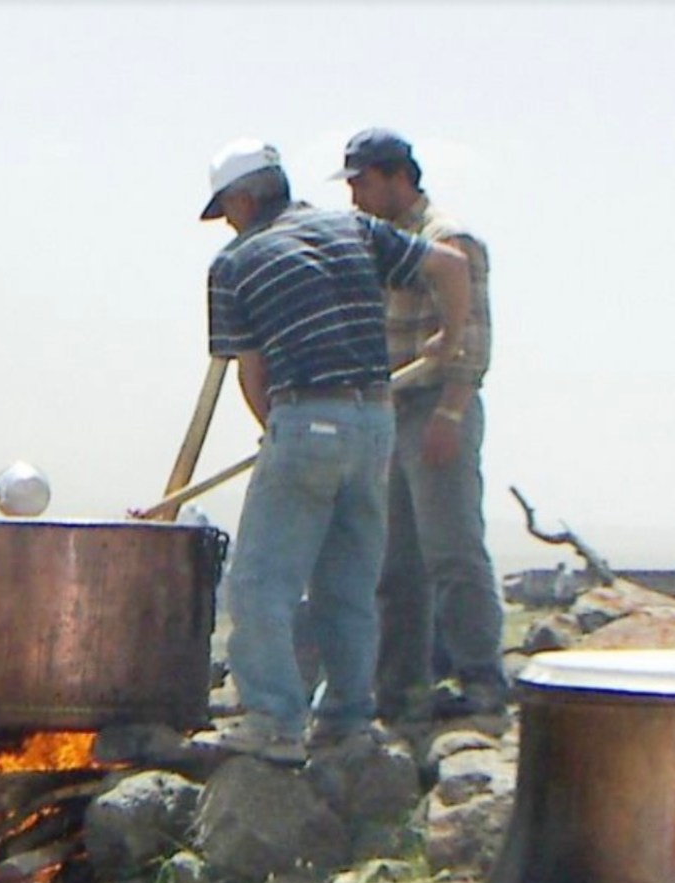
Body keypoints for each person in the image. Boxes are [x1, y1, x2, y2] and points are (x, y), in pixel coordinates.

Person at [200, 137, 470, 765]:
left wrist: (281, 435)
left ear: (243, 201)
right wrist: (449, 339)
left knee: (259, 584)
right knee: (348, 585)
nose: (228, 222)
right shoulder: (353, 228)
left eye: (226, 209)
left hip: (307, 417)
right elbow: (452, 267)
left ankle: (274, 722)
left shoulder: (236, 262)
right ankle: (347, 721)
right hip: (375, 420)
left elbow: (253, 374)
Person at [335, 128, 509, 722]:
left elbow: (471, 341)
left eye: (363, 182)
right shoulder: (379, 243)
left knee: (452, 549)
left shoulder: (448, 240)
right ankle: (399, 688)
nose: (355, 196)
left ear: (397, 177)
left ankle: (481, 679)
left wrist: (450, 413)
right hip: (389, 408)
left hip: (434, 403)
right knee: (394, 561)